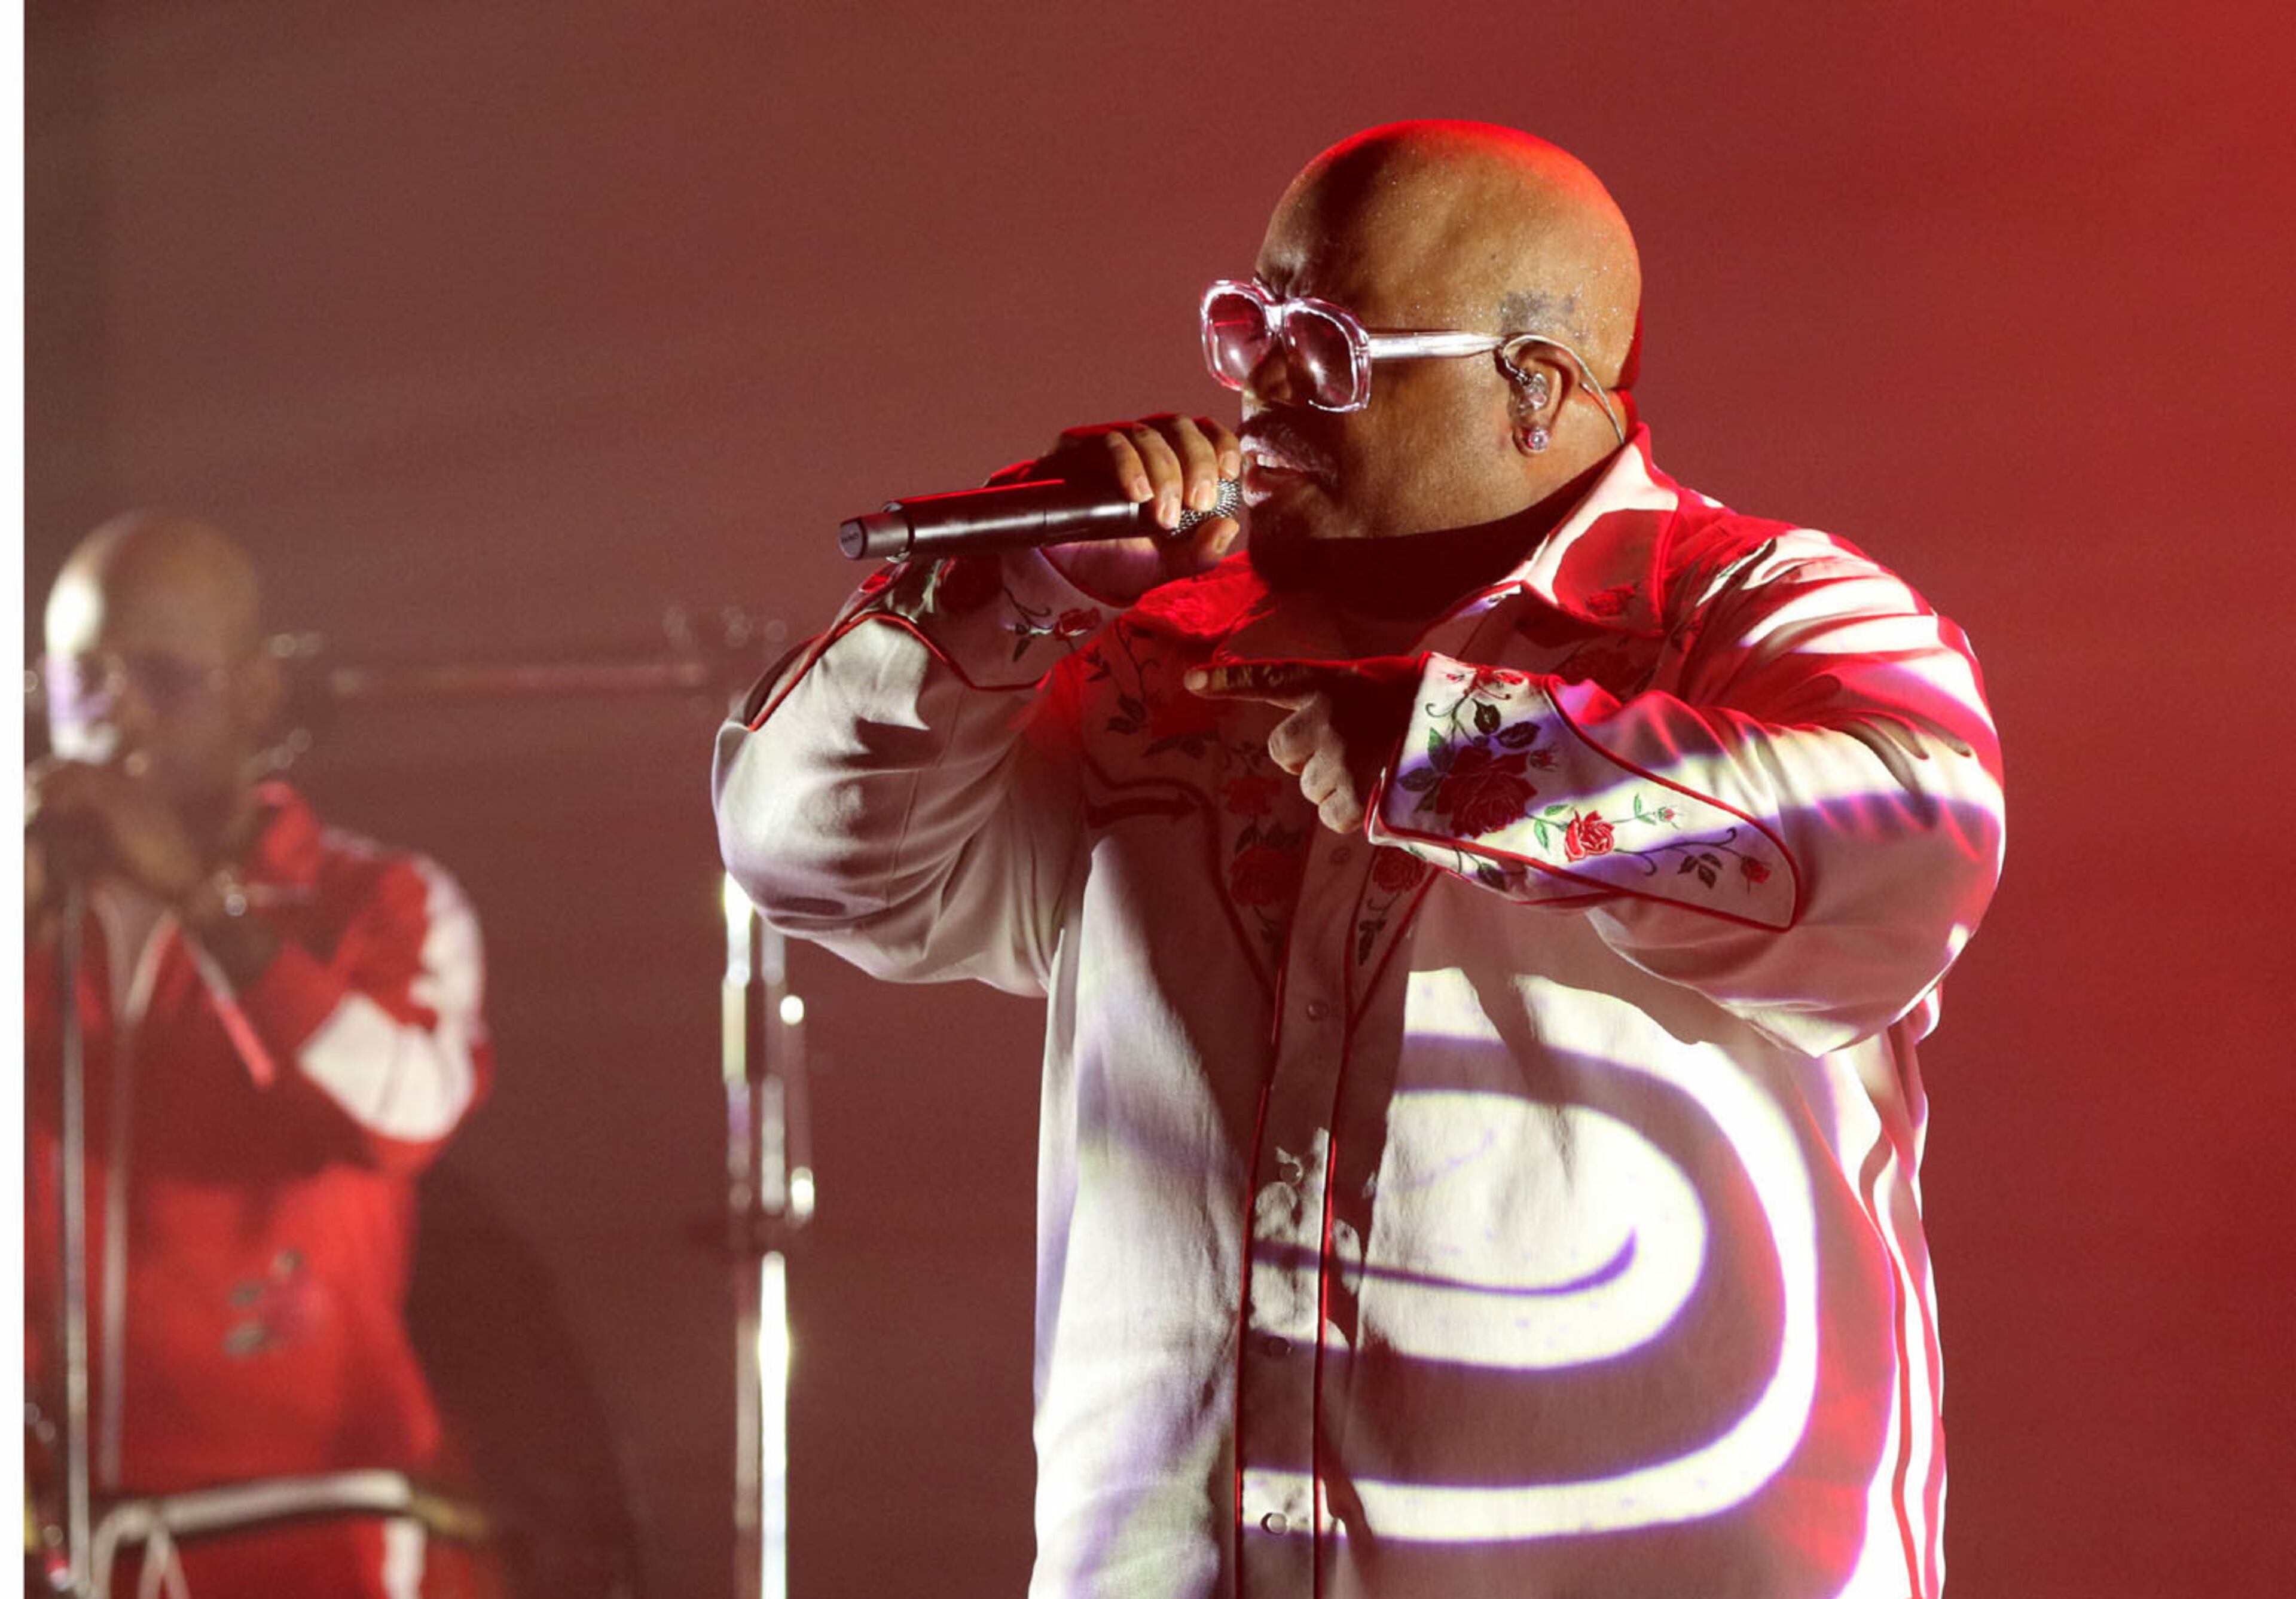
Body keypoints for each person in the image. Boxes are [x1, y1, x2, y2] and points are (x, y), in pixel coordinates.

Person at [714, 120, 2005, 1598]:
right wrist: (1015, 588)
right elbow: (806, 858)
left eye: (1325, 350)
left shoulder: (1756, 614)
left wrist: (1460, 757)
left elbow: (1912, 849)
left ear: (1538, 387)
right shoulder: (1150, 662)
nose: (1257, 392)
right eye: (1245, 327)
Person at [24, 514, 496, 1596]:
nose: (119, 720)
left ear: (254, 697)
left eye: (164, 678)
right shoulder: (31, 906)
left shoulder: (377, 897)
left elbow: (406, 1113)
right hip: (63, 1532)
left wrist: (203, 905)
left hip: (309, 1526)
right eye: (85, 680)